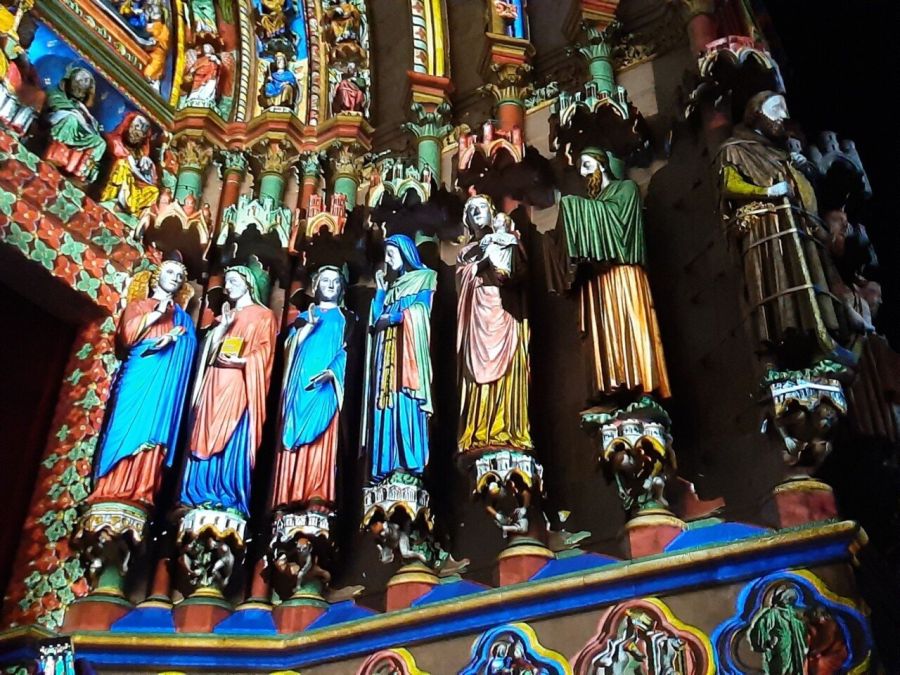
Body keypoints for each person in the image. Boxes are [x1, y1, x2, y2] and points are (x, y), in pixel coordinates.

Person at [717, 91, 841, 362]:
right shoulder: (735, 148)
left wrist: (803, 168)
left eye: (784, 110)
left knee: (807, 281)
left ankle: (820, 337)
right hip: (766, 228)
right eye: (775, 110)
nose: (783, 116)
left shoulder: (780, 151)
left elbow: (803, 190)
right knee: (777, 285)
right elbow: (729, 184)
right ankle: (778, 346)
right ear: (756, 114)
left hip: (797, 225)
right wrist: (767, 191)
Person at [550, 146, 670, 403]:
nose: (584, 173)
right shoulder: (592, 205)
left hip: (623, 273)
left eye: (587, 165)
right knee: (605, 333)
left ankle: (641, 385)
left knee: (628, 324)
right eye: (580, 168)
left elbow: (620, 225)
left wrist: (577, 210)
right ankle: (612, 388)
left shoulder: (626, 189)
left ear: (602, 164)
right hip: (598, 280)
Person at [89, 260, 197, 507]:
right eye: (170, 272)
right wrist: (156, 314)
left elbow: (189, 351)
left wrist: (175, 341)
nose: (175, 278)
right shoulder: (139, 306)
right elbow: (127, 337)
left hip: (164, 383)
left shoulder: (183, 319)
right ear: (156, 276)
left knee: (153, 430)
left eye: (180, 276)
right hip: (141, 371)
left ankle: (142, 489)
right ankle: (110, 485)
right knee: (127, 424)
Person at [180, 261, 277, 517]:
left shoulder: (263, 315)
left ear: (248, 284)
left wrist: (243, 361)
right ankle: (197, 493)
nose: (228, 287)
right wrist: (221, 329)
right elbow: (205, 355)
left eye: (234, 281)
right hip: (214, 381)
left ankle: (227, 491)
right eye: (226, 282)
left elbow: (265, 353)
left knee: (234, 434)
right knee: (202, 432)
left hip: (240, 383)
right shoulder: (223, 317)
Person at [273, 267, 356, 509]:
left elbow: (350, 351)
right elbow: (288, 351)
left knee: (324, 438)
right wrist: (306, 330)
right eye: (325, 280)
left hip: (328, 386)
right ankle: (287, 496)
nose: (330, 285)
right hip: (299, 386)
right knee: (291, 434)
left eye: (336, 281)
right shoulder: (303, 318)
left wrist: (332, 371)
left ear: (342, 288)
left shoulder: (347, 318)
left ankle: (317, 492)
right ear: (315, 286)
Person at [457, 196, 532, 455]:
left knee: (509, 368)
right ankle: (480, 431)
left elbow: (521, 272)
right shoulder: (466, 252)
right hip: (477, 317)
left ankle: (507, 428)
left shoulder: (508, 239)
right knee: (476, 374)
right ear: (467, 220)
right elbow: (462, 281)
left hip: (504, 309)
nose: (477, 212)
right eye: (471, 210)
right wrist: (481, 263)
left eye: (481, 207)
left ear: (492, 213)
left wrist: (508, 248)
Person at [363, 234, 436, 479]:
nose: (387, 259)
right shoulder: (392, 288)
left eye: (391, 254)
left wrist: (396, 317)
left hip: (408, 356)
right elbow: (375, 322)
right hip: (385, 355)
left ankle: (408, 462)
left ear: (406, 253)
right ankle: (386, 464)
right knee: (385, 404)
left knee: (405, 402)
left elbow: (423, 311)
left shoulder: (425, 277)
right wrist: (380, 293)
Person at [43, 66, 107, 184]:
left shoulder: (81, 106)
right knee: (71, 120)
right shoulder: (55, 92)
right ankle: (53, 156)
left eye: (83, 89)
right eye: (77, 84)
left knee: (100, 142)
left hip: (81, 128)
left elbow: (91, 123)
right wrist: (76, 113)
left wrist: (84, 116)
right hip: (60, 119)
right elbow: (55, 104)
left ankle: (80, 172)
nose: (79, 90)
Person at [100, 112, 160, 216]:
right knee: (122, 164)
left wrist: (146, 171)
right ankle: (110, 201)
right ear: (128, 126)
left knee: (154, 191)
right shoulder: (114, 142)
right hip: (114, 184)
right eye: (134, 129)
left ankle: (133, 211)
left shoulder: (140, 154)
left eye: (139, 134)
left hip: (133, 189)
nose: (134, 135)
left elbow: (149, 179)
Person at [748, 585, 808, 674]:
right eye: (785, 597)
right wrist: (768, 644)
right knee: (781, 669)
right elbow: (758, 630)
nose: (788, 600)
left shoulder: (793, 614)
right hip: (779, 648)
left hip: (794, 648)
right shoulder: (772, 614)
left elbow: (802, 629)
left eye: (789, 598)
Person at [183, 43, 221, 107]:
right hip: (199, 77)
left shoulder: (213, 58)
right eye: (204, 47)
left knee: (209, 86)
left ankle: (205, 99)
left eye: (207, 47)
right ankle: (194, 99)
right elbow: (195, 66)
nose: (205, 49)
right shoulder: (200, 59)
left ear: (211, 49)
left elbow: (220, 66)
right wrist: (191, 71)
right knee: (195, 91)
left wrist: (216, 59)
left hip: (209, 76)